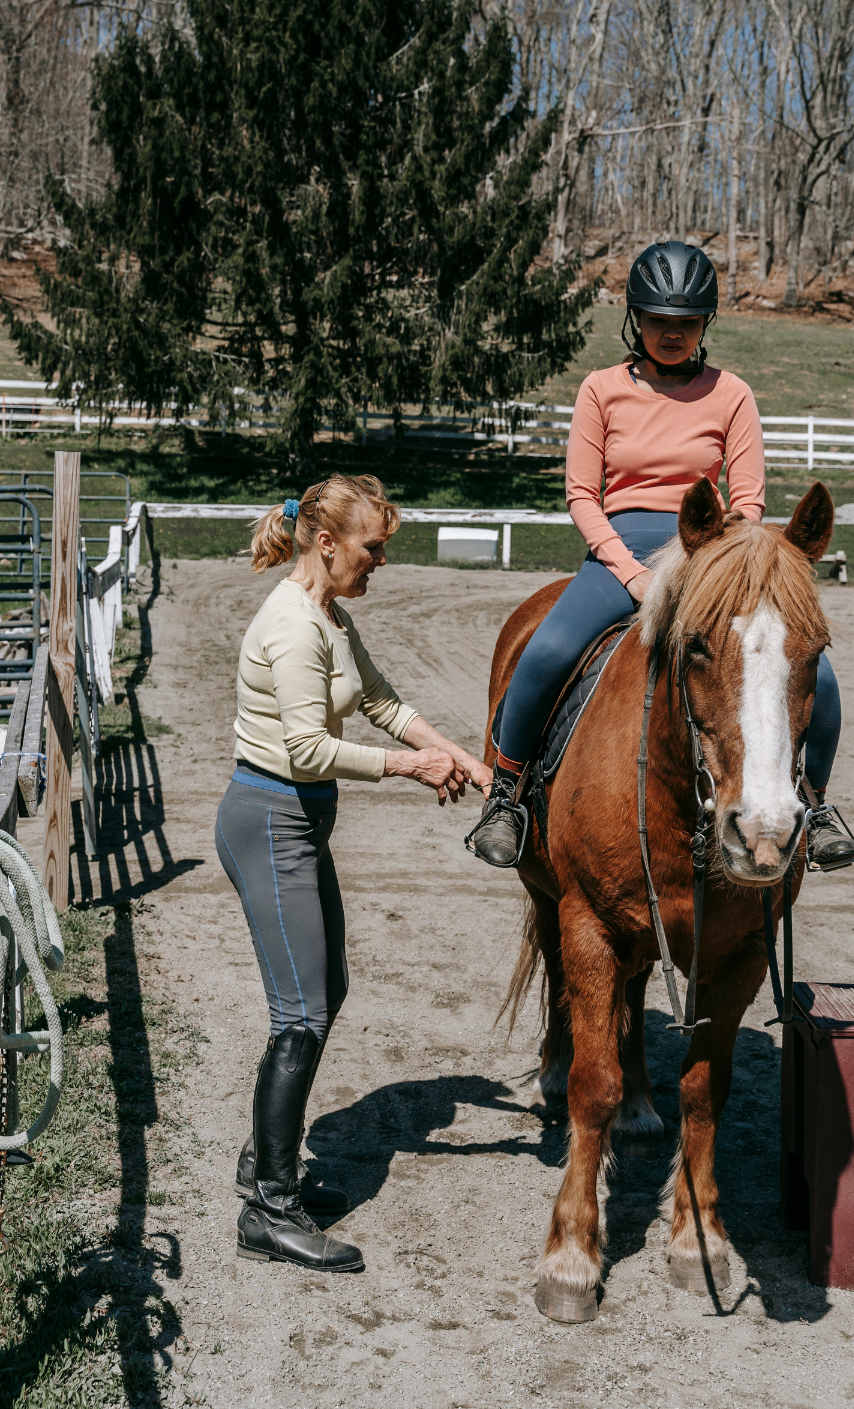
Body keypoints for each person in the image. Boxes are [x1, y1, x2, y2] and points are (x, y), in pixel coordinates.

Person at [468, 239, 854, 873]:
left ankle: (813, 803)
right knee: (544, 652)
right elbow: (581, 494)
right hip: (618, 551)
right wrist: (629, 572)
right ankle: (507, 796)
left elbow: (750, 500)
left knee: (821, 678)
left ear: (704, 325)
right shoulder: (600, 390)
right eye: (658, 321)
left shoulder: (732, 393)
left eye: (685, 324)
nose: (671, 334)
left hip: (710, 555)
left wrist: (718, 572)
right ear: (636, 319)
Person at [217, 473, 493, 1274]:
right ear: (328, 543)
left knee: (325, 991)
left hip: (298, 821)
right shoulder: (294, 626)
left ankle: (264, 1161)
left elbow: (379, 699)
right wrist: (411, 769)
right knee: (299, 1013)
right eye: (374, 548)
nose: (381, 562)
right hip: (271, 817)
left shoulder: (329, 617)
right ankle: (270, 1209)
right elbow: (307, 749)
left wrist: (463, 758)